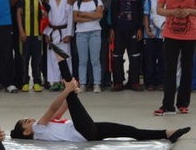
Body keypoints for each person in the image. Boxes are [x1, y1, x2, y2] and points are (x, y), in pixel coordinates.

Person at [10, 53, 190, 143]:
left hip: (89, 130)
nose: (31, 119)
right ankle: (61, 63)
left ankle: (167, 134)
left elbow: (60, 110)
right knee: (71, 93)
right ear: (27, 131)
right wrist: (68, 91)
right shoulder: (38, 130)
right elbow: (51, 109)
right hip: (82, 131)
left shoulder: (45, 127)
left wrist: (71, 94)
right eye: (26, 121)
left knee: (128, 130)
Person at [154, 0, 196, 116]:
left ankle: (183, 103)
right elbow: (159, 9)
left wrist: (188, 11)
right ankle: (167, 105)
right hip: (171, 33)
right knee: (169, 69)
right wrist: (173, 13)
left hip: (190, 32)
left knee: (187, 68)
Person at [110, 0, 144, 92]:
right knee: (117, 56)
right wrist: (112, 28)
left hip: (133, 29)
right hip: (119, 29)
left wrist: (140, 28)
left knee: (134, 55)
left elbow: (140, 10)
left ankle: (134, 82)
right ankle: (118, 82)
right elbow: (113, 11)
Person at [17, 0, 45, 92]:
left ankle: (37, 81)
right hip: (25, 34)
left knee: (37, 59)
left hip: (37, 34)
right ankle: (25, 82)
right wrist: (21, 31)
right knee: (24, 59)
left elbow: (45, 13)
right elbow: (18, 14)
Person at [73, 0, 104, 93]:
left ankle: (97, 83)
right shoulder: (77, 3)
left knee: (95, 59)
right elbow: (76, 18)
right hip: (81, 34)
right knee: (82, 60)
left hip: (95, 32)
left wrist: (84, 14)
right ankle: (83, 83)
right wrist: (92, 15)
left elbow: (99, 15)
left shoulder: (97, 2)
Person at [44, 0, 74, 91]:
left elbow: (70, 18)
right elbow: (45, 19)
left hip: (64, 31)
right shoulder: (48, 1)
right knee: (52, 58)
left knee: (65, 57)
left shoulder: (68, 1)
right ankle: (55, 81)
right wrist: (46, 33)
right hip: (52, 32)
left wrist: (68, 34)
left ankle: (65, 80)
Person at [143, 0, 165, 92]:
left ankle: (161, 82)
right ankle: (150, 83)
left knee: (162, 59)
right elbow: (146, 15)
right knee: (150, 60)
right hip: (150, 35)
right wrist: (147, 29)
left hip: (163, 35)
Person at [92, 0, 113, 89]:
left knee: (104, 55)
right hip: (93, 27)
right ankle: (94, 80)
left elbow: (112, 15)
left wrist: (111, 29)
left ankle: (105, 80)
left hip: (105, 28)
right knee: (94, 56)